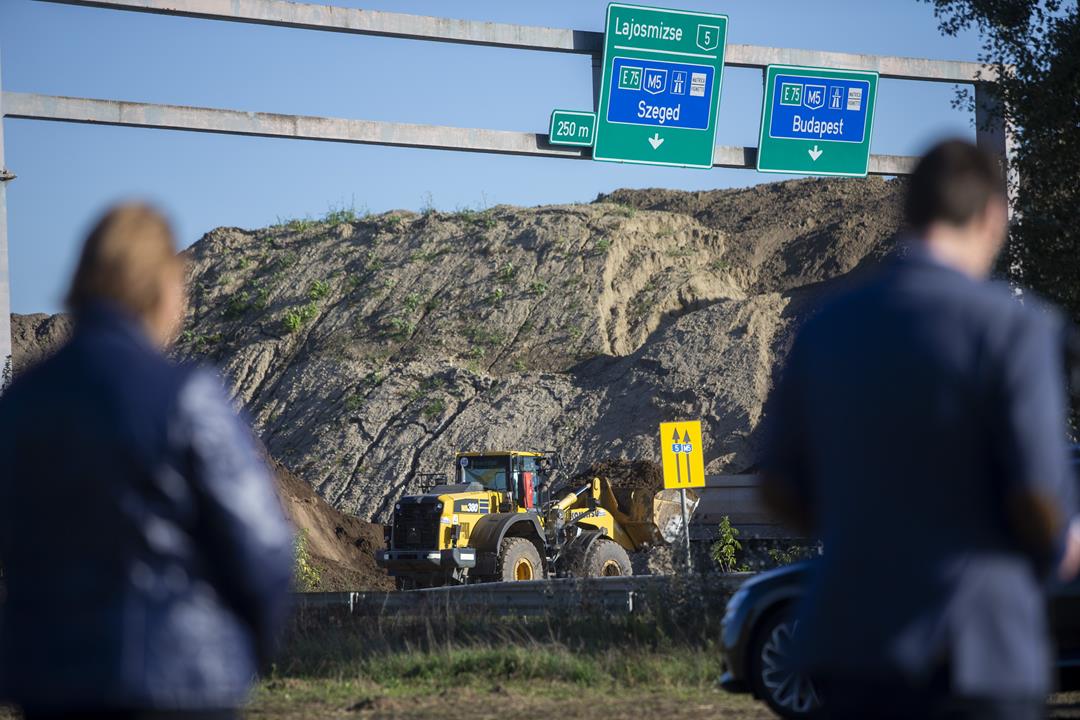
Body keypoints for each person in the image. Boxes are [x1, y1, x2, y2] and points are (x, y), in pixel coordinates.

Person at [761, 139, 1080, 719]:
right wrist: (1060, 545)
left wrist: (865, 535)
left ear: (908, 214)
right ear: (992, 217)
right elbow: (1038, 495)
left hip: (849, 645)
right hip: (977, 651)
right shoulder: (1015, 329)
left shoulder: (825, 329)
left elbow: (779, 487)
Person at [0, 205, 295, 719]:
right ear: (159, 289)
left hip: (50, 684)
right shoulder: (186, 397)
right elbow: (264, 549)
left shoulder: (20, 403)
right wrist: (243, 647)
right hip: (178, 680)